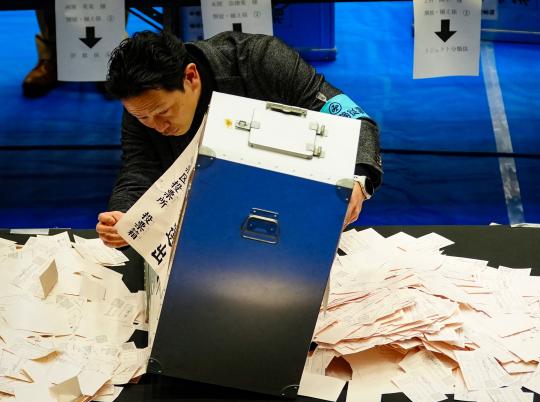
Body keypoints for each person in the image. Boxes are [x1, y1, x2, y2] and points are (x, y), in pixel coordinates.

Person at [96, 30, 382, 248]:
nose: (155, 125)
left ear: (191, 77)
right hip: (210, 226)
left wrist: (359, 182)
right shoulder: (142, 107)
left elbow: (353, 119)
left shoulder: (261, 60)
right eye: (143, 118)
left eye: (163, 112)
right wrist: (123, 214)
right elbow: (139, 168)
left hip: (287, 199)